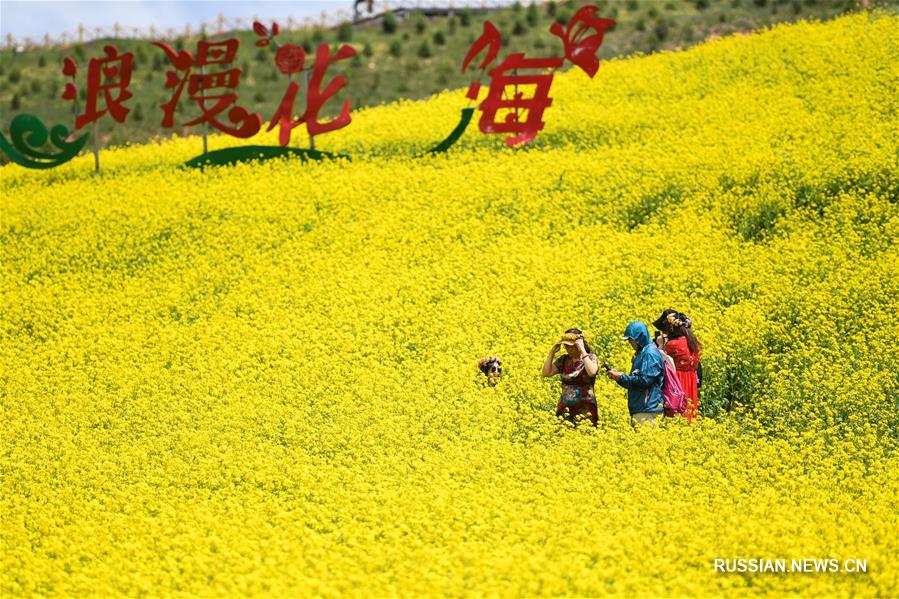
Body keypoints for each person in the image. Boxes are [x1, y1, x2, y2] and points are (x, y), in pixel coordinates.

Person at [606, 321, 664, 430]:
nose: (629, 343)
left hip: (648, 410)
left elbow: (644, 380)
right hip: (641, 408)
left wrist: (621, 377)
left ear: (639, 338)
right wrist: (618, 377)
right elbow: (635, 381)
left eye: (631, 340)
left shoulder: (649, 354)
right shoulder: (642, 352)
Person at [541, 328, 599, 426]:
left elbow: (592, 372)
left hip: (586, 410)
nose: (570, 349)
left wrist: (582, 350)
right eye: (567, 346)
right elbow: (546, 373)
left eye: (573, 346)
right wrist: (552, 352)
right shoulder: (563, 360)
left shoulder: (591, 358)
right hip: (565, 409)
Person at [652, 310, 702, 420]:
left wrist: (660, 345)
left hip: (677, 382)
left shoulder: (673, 344)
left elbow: (661, 359)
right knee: (689, 414)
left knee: (677, 413)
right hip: (691, 382)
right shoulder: (695, 344)